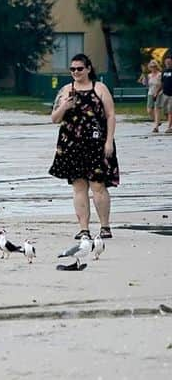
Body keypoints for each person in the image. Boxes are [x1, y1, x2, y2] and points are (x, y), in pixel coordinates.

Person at [49, 53, 119, 240]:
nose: (76, 72)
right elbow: (54, 118)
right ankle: (84, 229)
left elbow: (111, 115)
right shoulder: (65, 90)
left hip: (96, 143)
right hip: (71, 144)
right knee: (78, 186)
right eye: (72, 69)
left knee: (98, 185)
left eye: (79, 68)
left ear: (88, 69)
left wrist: (109, 141)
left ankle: (105, 226)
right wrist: (64, 106)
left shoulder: (100, 88)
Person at [139, 59, 162, 133]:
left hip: (158, 93)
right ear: (150, 67)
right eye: (151, 66)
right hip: (150, 93)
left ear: (156, 67)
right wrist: (144, 77)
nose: (153, 68)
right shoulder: (149, 75)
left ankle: (156, 127)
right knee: (149, 110)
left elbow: (162, 84)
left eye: (154, 66)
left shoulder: (160, 74)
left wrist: (158, 92)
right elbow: (145, 84)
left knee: (156, 109)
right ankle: (157, 121)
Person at [159, 53, 172, 135]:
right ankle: (170, 123)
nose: (168, 63)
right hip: (165, 94)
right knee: (165, 111)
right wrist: (157, 92)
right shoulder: (164, 71)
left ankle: (169, 127)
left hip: (171, 95)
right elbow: (162, 83)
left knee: (170, 111)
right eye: (166, 62)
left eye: (169, 62)